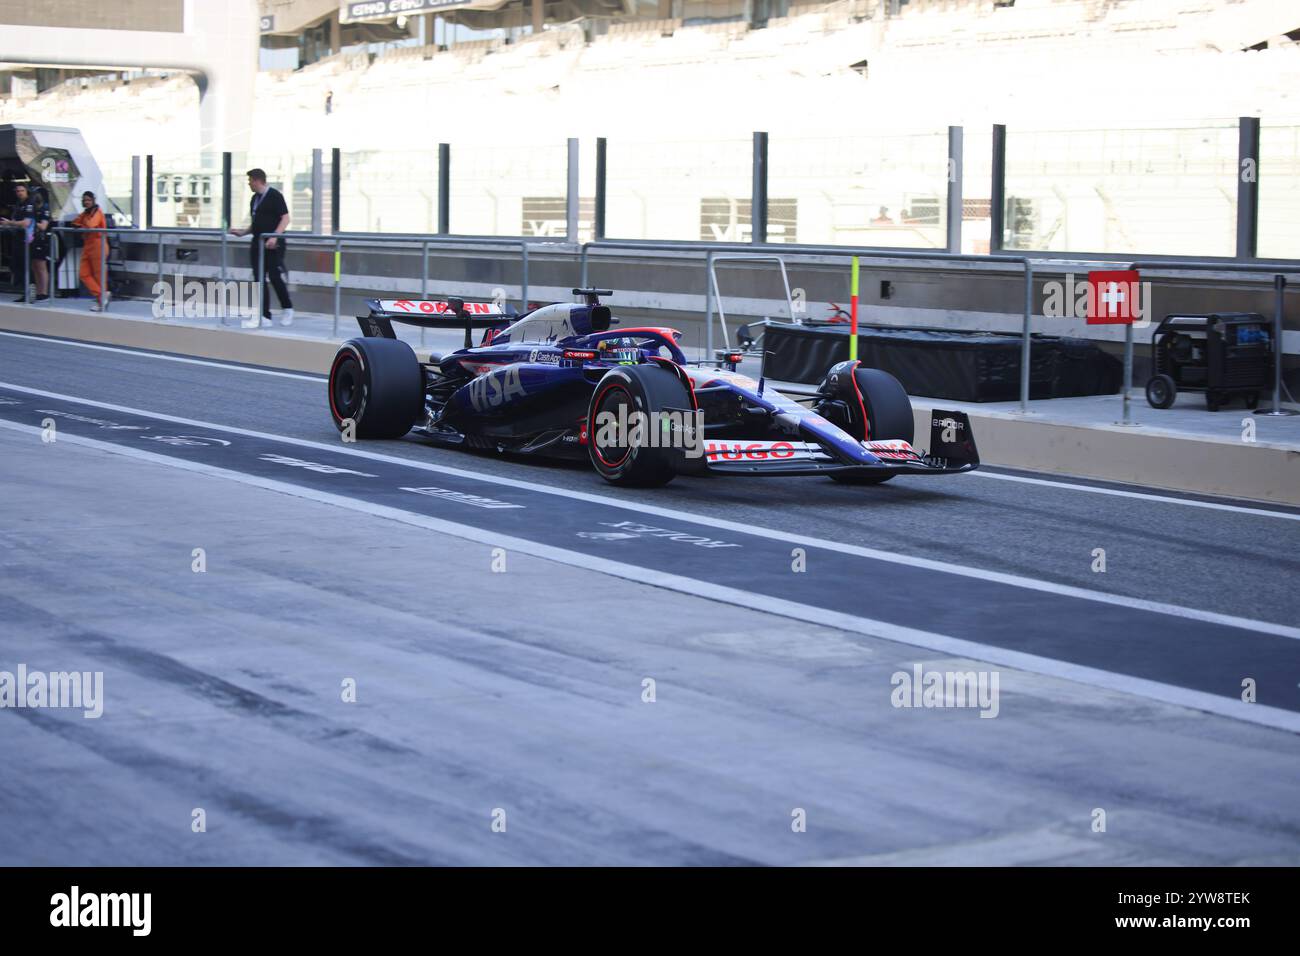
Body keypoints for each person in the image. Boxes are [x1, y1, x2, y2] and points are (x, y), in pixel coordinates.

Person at [229, 168, 293, 329]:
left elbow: (285, 219)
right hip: (257, 244)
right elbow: (256, 223)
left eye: (250, 180)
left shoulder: (274, 196)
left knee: (274, 276)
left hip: (273, 244)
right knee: (259, 278)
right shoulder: (254, 199)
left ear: (258, 180)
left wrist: (274, 236)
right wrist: (242, 232)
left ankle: (288, 308)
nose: (249, 183)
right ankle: (265, 316)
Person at [0, 183, 49, 301]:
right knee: (30, 265)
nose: (20, 193)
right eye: (17, 191)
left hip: (37, 238)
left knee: (40, 266)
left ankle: (43, 293)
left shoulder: (43, 208)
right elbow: (21, 221)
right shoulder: (20, 205)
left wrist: (18, 223)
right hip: (25, 238)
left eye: (22, 191)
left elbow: (39, 225)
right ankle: (36, 292)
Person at [71, 190, 111, 311]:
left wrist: (83, 224)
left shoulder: (97, 212)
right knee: (83, 274)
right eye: (84, 200)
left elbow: (91, 225)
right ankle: (101, 295)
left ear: (93, 201)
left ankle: (101, 302)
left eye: (88, 200)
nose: (86, 202)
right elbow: (75, 222)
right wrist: (82, 224)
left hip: (98, 245)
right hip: (88, 245)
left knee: (99, 275)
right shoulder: (85, 213)